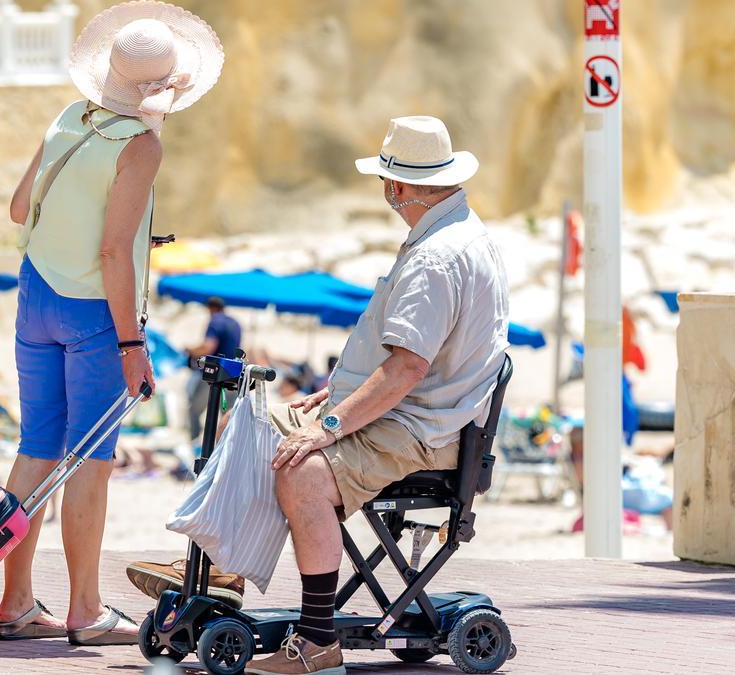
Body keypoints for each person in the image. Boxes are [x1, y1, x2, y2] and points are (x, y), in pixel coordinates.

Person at [130, 116, 509, 675]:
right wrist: (339, 393)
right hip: (417, 417)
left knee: (302, 468)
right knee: (256, 425)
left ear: (396, 187)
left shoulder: (435, 257)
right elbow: (421, 356)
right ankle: (221, 570)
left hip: (420, 432)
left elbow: (408, 368)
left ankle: (315, 642)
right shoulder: (460, 234)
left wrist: (329, 427)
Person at [0, 1, 224, 646]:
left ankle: (15, 603)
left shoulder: (70, 118)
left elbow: (17, 209)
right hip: (93, 313)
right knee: (90, 461)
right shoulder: (140, 145)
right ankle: (86, 611)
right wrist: (132, 343)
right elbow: (115, 253)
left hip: (34, 296)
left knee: (36, 446)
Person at [185, 296, 243, 441]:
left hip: (214, 373)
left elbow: (208, 347)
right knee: (228, 415)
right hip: (233, 373)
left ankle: (194, 444)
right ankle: (226, 447)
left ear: (210, 308)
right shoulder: (236, 323)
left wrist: (190, 350)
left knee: (194, 411)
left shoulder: (215, 321)